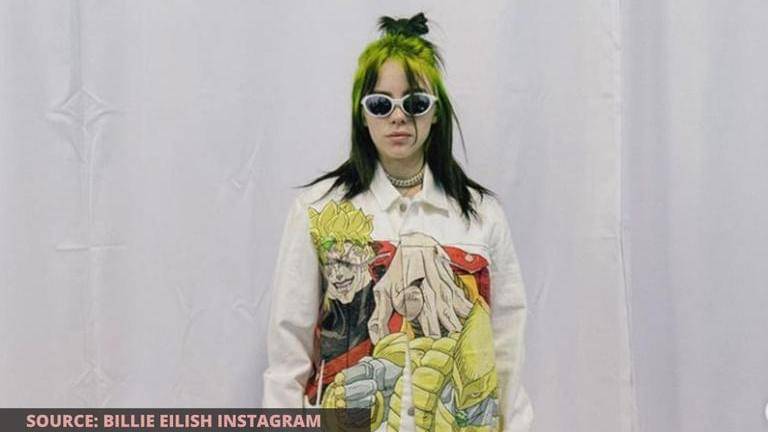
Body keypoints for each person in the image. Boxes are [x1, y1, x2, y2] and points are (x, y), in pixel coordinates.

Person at [262, 12, 533, 432]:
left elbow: (507, 356)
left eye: (415, 103)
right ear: (362, 113)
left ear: (436, 112)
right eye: (381, 103)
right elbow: (288, 355)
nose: (399, 117)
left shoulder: (482, 216)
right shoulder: (316, 210)